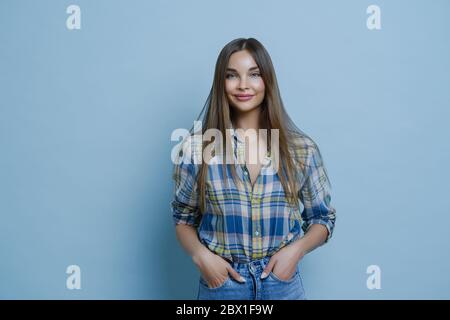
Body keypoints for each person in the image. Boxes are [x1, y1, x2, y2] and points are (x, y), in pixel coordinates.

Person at [170, 38, 336, 300]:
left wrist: (297, 250)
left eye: (254, 74)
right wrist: (202, 257)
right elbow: (183, 219)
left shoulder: (301, 149)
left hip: (282, 285)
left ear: (267, 81)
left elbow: (323, 219)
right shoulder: (196, 148)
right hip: (222, 285)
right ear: (220, 83)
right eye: (232, 75)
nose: (243, 85)